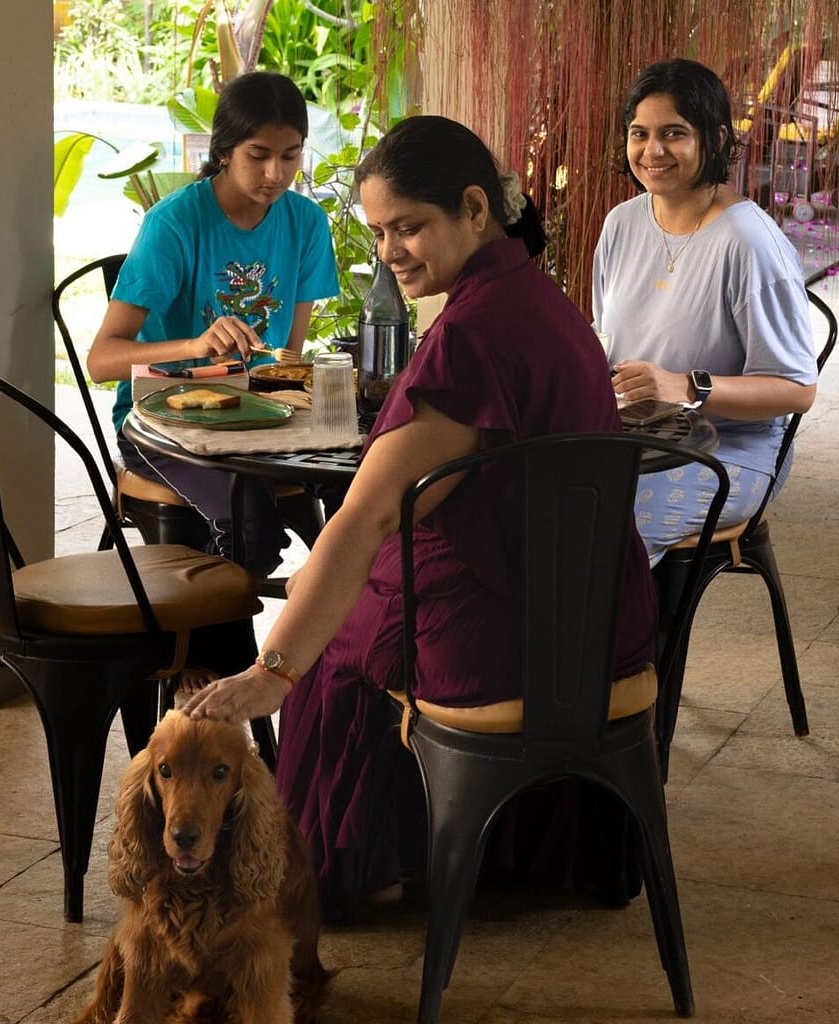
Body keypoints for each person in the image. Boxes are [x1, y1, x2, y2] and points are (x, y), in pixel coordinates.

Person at [184, 115, 659, 921]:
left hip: (518, 642)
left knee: (334, 639)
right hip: (597, 617)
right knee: (350, 602)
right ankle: (470, 849)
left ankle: (346, 877)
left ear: (474, 210)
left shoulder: (470, 336)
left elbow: (368, 518)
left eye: (408, 227)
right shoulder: (537, 300)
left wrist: (271, 674)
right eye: (377, 232)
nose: (389, 252)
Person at [87, 71, 339, 580]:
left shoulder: (306, 224)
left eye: (290, 155)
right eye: (258, 154)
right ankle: (212, 657)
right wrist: (197, 344)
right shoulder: (175, 224)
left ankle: (339, 651)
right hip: (161, 427)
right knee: (248, 529)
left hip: (261, 420)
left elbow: (285, 358)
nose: (276, 172)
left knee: (367, 494)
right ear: (225, 149)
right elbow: (100, 361)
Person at [592, 58, 818, 567]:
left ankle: (629, 648)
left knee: (606, 523)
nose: (652, 151)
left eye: (673, 133)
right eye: (639, 133)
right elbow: (606, 338)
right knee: (526, 496)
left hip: (731, 451)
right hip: (636, 439)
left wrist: (687, 387)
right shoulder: (621, 224)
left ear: (714, 139)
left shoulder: (748, 241)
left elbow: (797, 389)